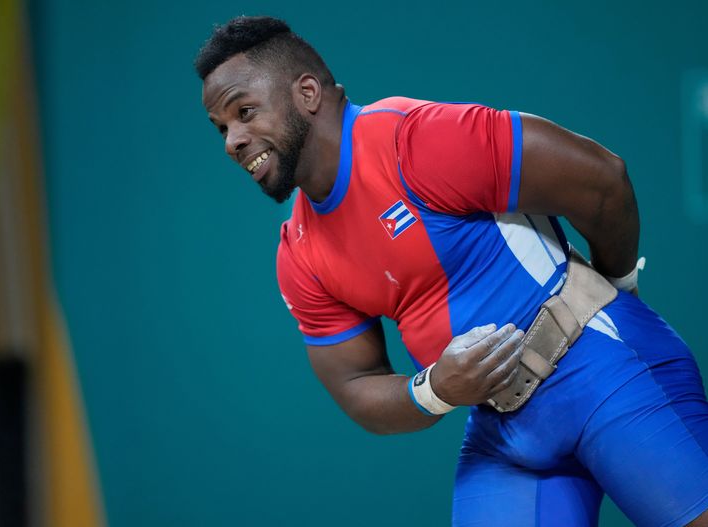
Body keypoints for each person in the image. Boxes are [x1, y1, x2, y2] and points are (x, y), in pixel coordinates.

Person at [196, 16, 708, 527]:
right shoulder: (299, 253)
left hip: (605, 369)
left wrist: (616, 291)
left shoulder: (415, 139)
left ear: (307, 93)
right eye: (221, 127)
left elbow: (602, 180)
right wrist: (434, 389)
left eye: (244, 112)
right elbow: (355, 383)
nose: (231, 141)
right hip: (507, 435)